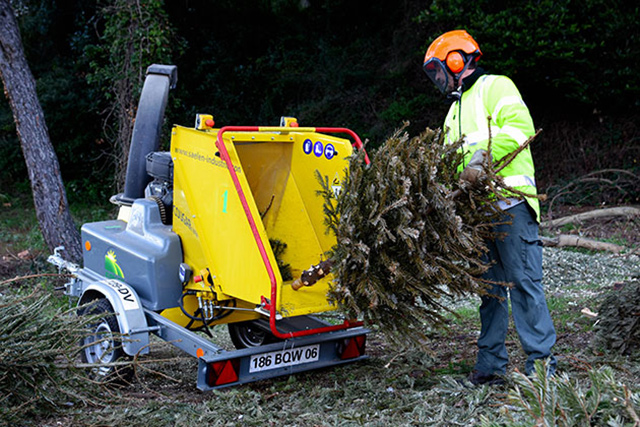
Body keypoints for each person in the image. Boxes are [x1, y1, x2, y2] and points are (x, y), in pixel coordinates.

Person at [423, 30, 557, 385]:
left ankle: (542, 369)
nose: (439, 79)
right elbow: (449, 162)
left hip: (510, 203)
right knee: (490, 290)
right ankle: (490, 366)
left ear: (457, 60)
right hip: (477, 214)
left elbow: (519, 128)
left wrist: (483, 158)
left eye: (440, 70)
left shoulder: (496, 86)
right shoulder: (454, 110)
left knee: (525, 284)